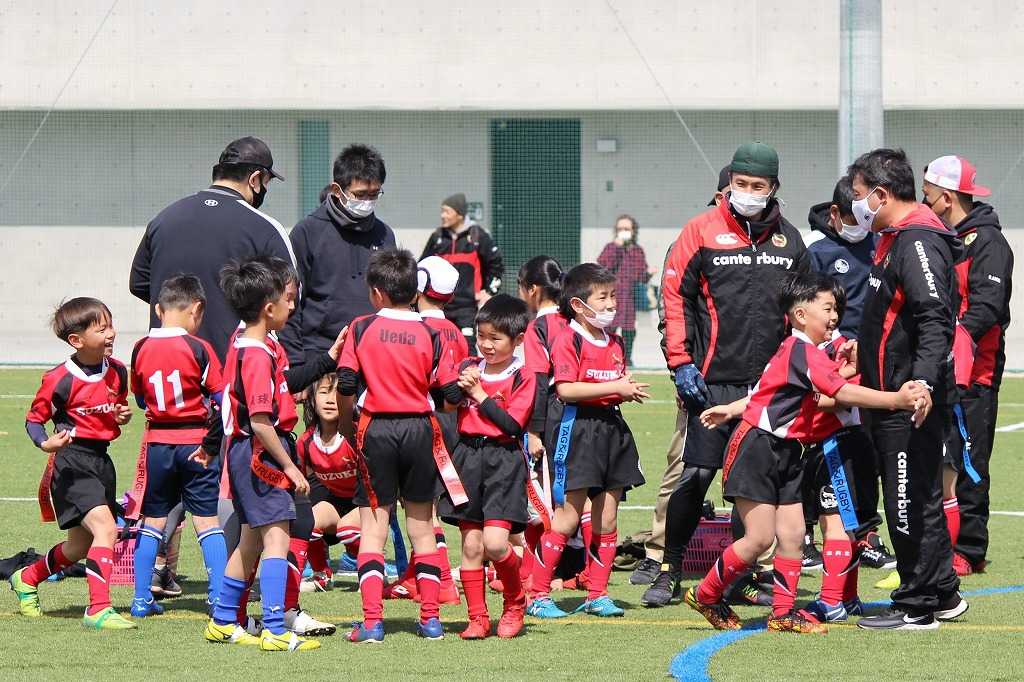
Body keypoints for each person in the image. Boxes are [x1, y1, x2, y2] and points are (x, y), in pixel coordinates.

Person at [685, 272, 926, 634]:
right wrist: (896, 399)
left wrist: (732, 409)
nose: (835, 316)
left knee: (794, 535)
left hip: (788, 452)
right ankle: (705, 594)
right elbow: (840, 392)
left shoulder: (805, 352)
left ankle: (783, 614)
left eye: (836, 309)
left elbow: (778, 390)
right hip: (757, 448)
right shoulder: (800, 350)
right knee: (759, 538)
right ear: (800, 315)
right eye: (827, 308)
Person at [645, 142, 809, 607]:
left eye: (758, 186)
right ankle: (669, 569)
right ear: (729, 184)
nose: (748, 192)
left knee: (750, 485)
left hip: (769, 387)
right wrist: (681, 364)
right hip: (711, 381)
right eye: (741, 184)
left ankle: (742, 576)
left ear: (773, 187)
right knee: (696, 474)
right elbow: (674, 298)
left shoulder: (791, 241)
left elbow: (806, 307)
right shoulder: (699, 231)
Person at [849, 148, 969, 631]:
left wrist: (920, 381)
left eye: (860, 195)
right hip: (892, 393)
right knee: (921, 495)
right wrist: (862, 352)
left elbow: (934, 317)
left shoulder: (917, 240)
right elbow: (893, 320)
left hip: (907, 400)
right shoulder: (897, 238)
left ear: (881, 194)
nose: (857, 205)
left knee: (904, 500)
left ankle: (917, 606)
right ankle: (941, 593)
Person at [337, 249, 462, 644]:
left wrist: (347, 427)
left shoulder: (361, 328)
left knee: (373, 529)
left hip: (376, 430)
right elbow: (450, 393)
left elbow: (345, 384)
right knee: (422, 528)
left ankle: (372, 623)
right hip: (420, 431)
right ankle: (431, 621)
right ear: (415, 291)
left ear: (377, 293)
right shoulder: (432, 333)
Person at [203, 257, 319, 652]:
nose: (292, 306)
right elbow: (260, 421)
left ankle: (223, 621)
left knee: (250, 540)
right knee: (277, 540)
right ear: (269, 308)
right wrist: (289, 466)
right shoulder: (255, 354)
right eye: (287, 300)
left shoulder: (251, 345)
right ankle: (274, 628)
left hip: (247, 453)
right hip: (260, 455)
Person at [525, 263, 649, 619]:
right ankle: (537, 595)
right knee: (567, 518)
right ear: (578, 305)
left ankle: (598, 594)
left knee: (607, 519)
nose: (611, 304)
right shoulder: (569, 339)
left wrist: (624, 389)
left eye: (613, 296)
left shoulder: (616, 341)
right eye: (603, 298)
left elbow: (611, 384)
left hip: (611, 431)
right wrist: (615, 387)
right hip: (575, 431)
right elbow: (566, 389)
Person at [630, 170, 729, 587]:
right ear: (719, 196)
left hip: (750, 382)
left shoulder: (767, 246)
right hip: (700, 381)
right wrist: (680, 368)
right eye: (732, 191)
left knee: (756, 473)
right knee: (681, 467)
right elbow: (672, 311)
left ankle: (758, 564)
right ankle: (657, 553)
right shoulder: (692, 240)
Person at [13, 298, 135, 629]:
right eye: (102, 328)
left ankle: (27, 577)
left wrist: (120, 415)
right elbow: (34, 420)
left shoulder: (118, 370)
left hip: (101, 461)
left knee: (79, 546)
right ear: (76, 340)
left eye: (111, 325)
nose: (111, 333)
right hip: (71, 463)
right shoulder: (59, 378)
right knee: (106, 529)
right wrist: (45, 443)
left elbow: (116, 407)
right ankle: (98, 609)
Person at [921, 155, 1013, 577]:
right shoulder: (944, 238)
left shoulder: (988, 242)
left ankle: (970, 549)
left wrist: (951, 342)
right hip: (942, 370)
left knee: (971, 461)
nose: (923, 202)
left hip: (977, 374)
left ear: (946, 197)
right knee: (941, 459)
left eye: (927, 195)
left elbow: (987, 307)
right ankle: (939, 544)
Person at [130, 136, 294, 361]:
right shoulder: (265, 228)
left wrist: (182, 311)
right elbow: (289, 294)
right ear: (255, 179)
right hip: (231, 365)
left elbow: (139, 283)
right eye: (266, 182)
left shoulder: (163, 219)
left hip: (165, 362)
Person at [804, 177, 896, 572]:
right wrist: (833, 343)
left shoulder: (882, 243)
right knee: (816, 450)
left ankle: (866, 535)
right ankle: (805, 536)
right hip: (829, 361)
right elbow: (802, 309)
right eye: (854, 216)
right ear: (836, 214)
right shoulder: (816, 251)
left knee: (865, 452)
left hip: (869, 364)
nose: (862, 224)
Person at [127, 275, 226, 618]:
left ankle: (141, 600)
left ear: (158, 309)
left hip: (158, 444)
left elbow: (141, 399)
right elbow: (222, 399)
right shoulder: (199, 348)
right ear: (196, 309)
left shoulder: (140, 348)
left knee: (153, 520)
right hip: (195, 444)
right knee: (207, 521)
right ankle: (218, 598)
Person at [437, 294, 535, 639]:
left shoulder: (523, 376)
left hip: (503, 460)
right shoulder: (470, 366)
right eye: (481, 336)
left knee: (495, 543)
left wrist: (478, 394)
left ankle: (515, 601)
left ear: (517, 339)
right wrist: (455, 385)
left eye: (496, 338)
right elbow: (446, 400)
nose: (486, 345)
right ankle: (477, 617)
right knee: (471, 545)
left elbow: (512, 426)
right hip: (468, 457)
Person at [281, 144, 395, 372]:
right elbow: (289, 300)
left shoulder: (385, 234)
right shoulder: (308, 231)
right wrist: (296, 363)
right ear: (337, 190)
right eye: (360, 195)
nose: (367, 202)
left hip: (373, 354)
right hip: (319, 353)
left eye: (374, 194)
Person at [420, 193, 504, 353]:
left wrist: (489, 292)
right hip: (439, 305)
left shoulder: (478, 236)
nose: (442, 215)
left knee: (467, 347)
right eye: (442, 211)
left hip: (467, 307)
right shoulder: (437, 237)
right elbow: (423, 266)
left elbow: (496, 264)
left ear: (459, 214)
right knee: (437, 346)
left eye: (447, 211)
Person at [597, 214, 653, 367]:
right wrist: (616, 247)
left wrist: (648, 274)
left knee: (629, 331)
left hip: (628, 299)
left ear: (633, 231)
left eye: (627, 229)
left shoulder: (637, 251)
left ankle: (627, 360)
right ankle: (605, 359)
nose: (624, 232)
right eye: (620, 229)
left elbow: (641, 276)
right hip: (610, 298)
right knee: (608, 329)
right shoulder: (610, 247)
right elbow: (602, 267)